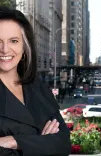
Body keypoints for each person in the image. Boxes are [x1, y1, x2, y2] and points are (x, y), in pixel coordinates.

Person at [0, 6, 71, 156]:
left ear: (24, 47)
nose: (5, 49)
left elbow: (63, 142)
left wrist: (15, 141)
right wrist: (42, 143)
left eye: (13, 41)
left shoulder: (36, 85)